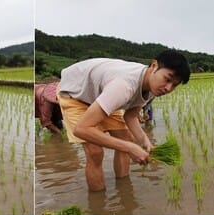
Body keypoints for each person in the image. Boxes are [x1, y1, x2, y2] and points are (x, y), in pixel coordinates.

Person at [57, 50, 190, 191]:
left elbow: (130, 116)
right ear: (154, 66)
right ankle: (98, 206)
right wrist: (130, 148)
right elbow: (81, 129)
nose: (168, 88)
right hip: (75, 93)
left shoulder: (153, 86)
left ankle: (124, 190)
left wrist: (146, 143)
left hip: (102, 94)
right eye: (167, 79)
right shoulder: (124, 86)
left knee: (126, 138)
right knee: (95, 152)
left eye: (174, 85)